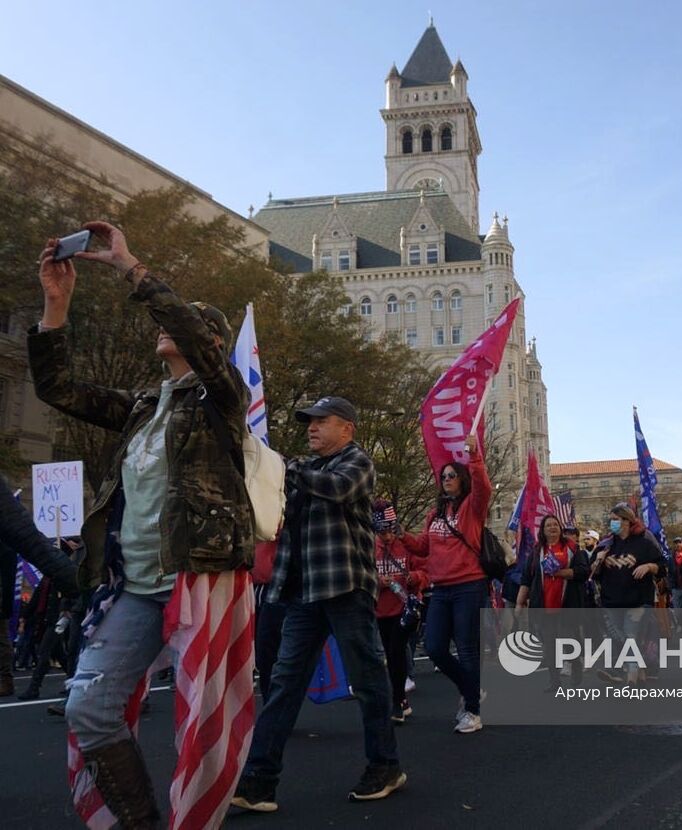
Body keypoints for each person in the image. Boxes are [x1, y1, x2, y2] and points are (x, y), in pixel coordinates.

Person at [29, 222, 254, 828]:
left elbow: (192, 336)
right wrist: (56, 307)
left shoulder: (220, 398)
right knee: (88, 706)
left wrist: (130, 265)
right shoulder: (141, 406)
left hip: (200, 580)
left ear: (210, 341)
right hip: (136, 589)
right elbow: (58, 389)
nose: (163, 328)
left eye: (182, 324)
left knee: (202, 723)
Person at [234, 396, 405, 812]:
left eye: (320, 421)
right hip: (303, 593)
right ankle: (258, 781)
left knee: (366, 681)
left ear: (346, 427)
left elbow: (338, 489)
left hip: (345, 587)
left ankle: (384, 765)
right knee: (283, 685)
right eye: (308, 422)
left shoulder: (357, 462)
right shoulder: (303, 471)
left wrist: (283, 466)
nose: (311, 428)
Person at [397, 434, 490, 734]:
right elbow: (423, 547)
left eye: (452, 475)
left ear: (462, 479)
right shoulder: (434, 514)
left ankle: (472, 710)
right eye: (443, 476)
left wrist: (474, 457)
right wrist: (399, 535)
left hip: (469, 585)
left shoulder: (472, 509)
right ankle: (472, 689)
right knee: (435, 647)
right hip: (441, 589)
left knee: (466, 649)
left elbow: (484, 488)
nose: (447, 479)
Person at [0, 476, 80, 697]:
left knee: (57, 649)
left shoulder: (78, 558)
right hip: (51, 613)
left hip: (61, 611)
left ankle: (71, 686)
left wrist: (83, 595)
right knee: (52, 650)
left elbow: (32, 544)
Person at [590, 504, 664, 685]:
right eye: (611, 519)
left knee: (631, 636)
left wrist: (648, 566)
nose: (612, 523)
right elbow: (592, 573)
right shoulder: (605, 544)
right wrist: (598, 561)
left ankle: (630, 678)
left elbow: (662, 567)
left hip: (638, 599)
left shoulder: (643, 542)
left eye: (616, 519)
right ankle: (639, 670)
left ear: (627, 521)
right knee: (619, 637)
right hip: (612, 599)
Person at [516, 513, 591, 689]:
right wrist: (520, 603)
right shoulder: (536, 551)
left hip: (567, 603)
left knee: (569, 639)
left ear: (560, 528)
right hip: (543, 604)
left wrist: (560, 573)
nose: (552, 527)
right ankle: (554, 680)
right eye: (548, 525)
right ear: (542, 530)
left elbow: (583, 572)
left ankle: (576, 667)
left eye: (555, 524)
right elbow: (526, 578)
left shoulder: (572, 548)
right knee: (549, 644)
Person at [372, 499, 427, 724]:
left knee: (396, 651)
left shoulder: (406, 544)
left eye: (389, 531)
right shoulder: (369, 546)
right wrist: (378, 582)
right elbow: (361, 577)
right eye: (381, 532)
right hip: (380, 609)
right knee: (389, 652)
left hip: (404, 609)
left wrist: (411, 578)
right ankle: (400, 699)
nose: (386, 536)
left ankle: (398, 700)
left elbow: (425, 572)